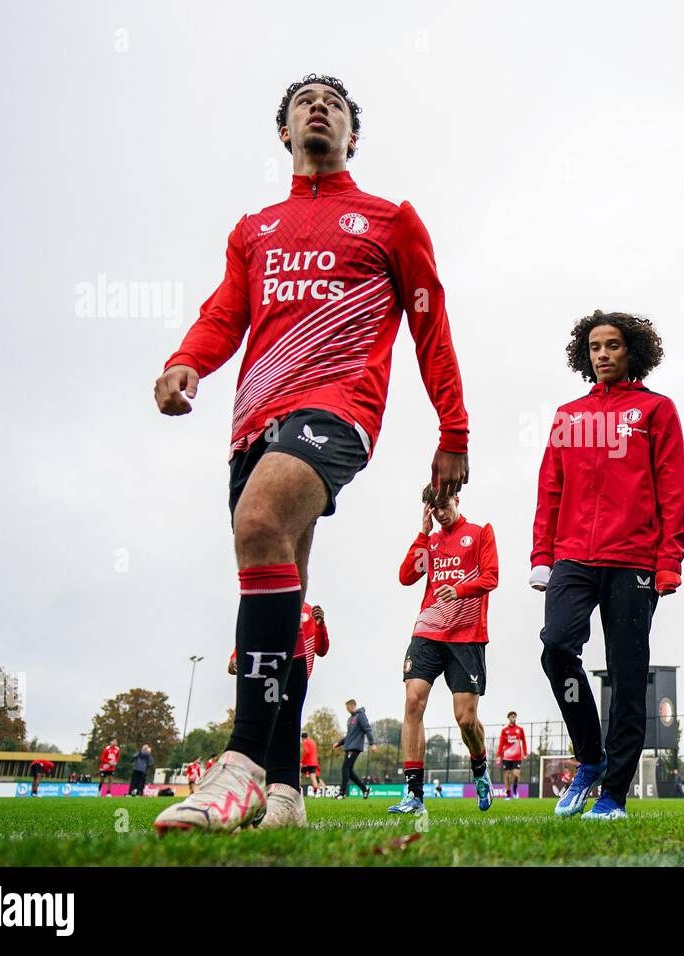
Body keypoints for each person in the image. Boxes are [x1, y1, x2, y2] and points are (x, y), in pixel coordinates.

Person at [151, 72, 469, 835]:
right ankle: (288, 791)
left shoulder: (390, 221)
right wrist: (188, 358)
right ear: (284, 134)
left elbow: (431, 326)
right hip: (253, 420)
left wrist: (452, 433)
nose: (317, 108)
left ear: (353, 136)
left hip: (336, 409)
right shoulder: (254, 229)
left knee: (258, 521)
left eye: (334, 104)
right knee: (281, 594)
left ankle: (242, 766)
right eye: (303, 103)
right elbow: (226, 311)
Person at [531, 311, 684, 821]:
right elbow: (549, 489)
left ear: (632, 352)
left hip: (634, 559)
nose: (602, 354)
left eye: (613, 346)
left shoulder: (656, 411)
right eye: (595, 346)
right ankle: (591, 759)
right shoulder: (567, 416)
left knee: (626, 674)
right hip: (573, 556)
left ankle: (614, 796)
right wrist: (541, 555)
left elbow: (671, 488)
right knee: (556, 648)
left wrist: (669, 560)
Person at [388, 486, 498, 816]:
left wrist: (461, 588)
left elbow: (491, 577)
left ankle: (480, 769)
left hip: (466, 636)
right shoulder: (431, 542)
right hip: (427, 631)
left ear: (457, 500)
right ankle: (414, 794)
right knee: (413, 700)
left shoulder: (480, 533)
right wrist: (422, 534)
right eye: (434, 509)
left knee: (465, 719)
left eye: (444, 505)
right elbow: (406, 577)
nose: (440, 513)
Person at [228, 601, 330, 827]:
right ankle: (271, 793)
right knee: (266, 726)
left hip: (295, 677)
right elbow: (256, 628)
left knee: (284, 727)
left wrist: (321, 625)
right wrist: (236, 654)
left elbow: (321, 650)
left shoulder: (308, 610)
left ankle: (285, 793)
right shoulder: (270, 600)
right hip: (268, 673)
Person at [334, 699, 375, 799]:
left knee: (345, 768)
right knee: (350, 772)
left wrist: (372, 743)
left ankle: (342, 793)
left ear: (352, 706)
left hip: (354, 747)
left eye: (348, 708)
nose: (347, 710)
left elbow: (367, 729)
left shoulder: (360, 715)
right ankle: (365, 789)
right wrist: (339, 743)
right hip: (348, 747)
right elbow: (349, 735)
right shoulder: (350, 719)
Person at [497, 712, 528, 798]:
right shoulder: (504, 730)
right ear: (509, 718)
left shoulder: (520, 729)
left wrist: (525, 753)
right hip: (507, 757)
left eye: (515, 717)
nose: (514, 718)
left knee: (516, 774)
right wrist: (499, 756)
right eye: (512, 717)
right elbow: (501, 744)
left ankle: (514, 788)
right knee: (506, 776)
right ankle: (508, 793)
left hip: (517, 757)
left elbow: (524, 741)